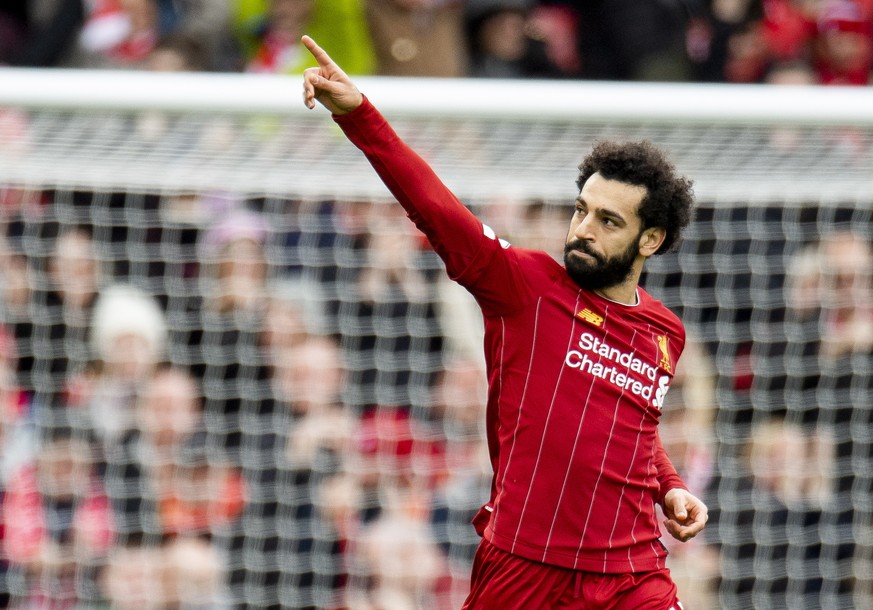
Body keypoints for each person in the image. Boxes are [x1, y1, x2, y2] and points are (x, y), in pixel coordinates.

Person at [300, 35, 708, 609]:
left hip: (632, 571)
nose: (584, 228)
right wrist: (360, 115)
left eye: (608, 220)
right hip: (525, 564)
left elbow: (633, 423)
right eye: (580, 209)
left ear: (652, 239)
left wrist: (670, 485)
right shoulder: (525, 286)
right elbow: (436, 208)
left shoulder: (666, 332)